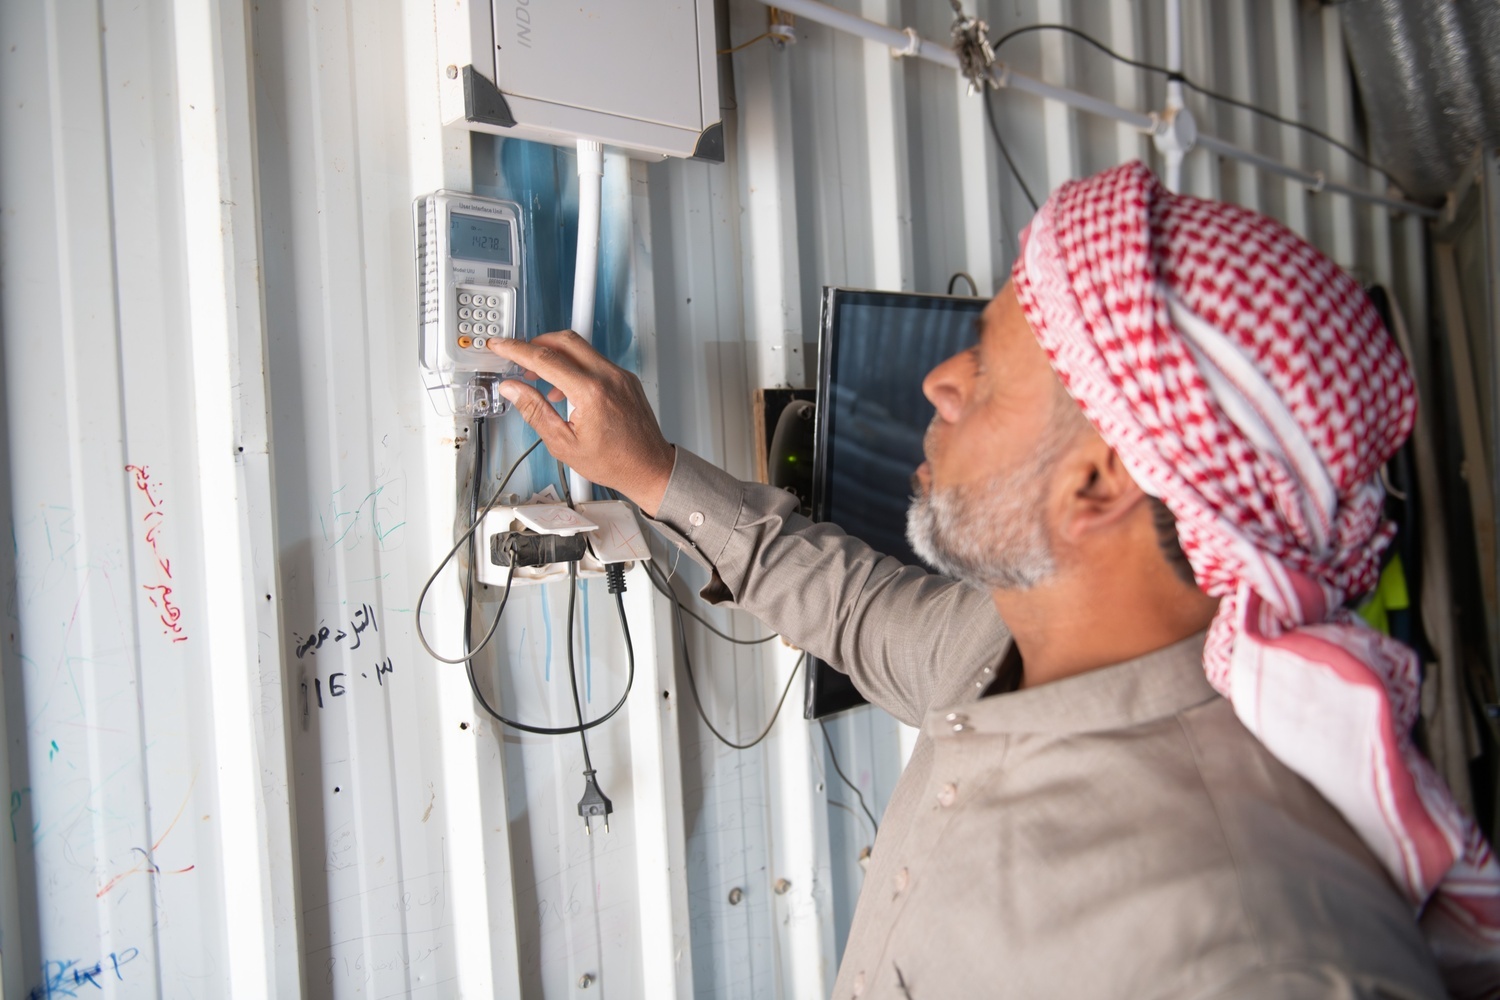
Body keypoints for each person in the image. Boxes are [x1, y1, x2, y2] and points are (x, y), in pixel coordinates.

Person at [489, 162, 1500, 998]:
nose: (943, 381)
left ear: (1099, 478)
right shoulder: (1008, 652)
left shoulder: (1256, 958)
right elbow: (854, 606)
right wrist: (652, 471)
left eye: (989, 362)